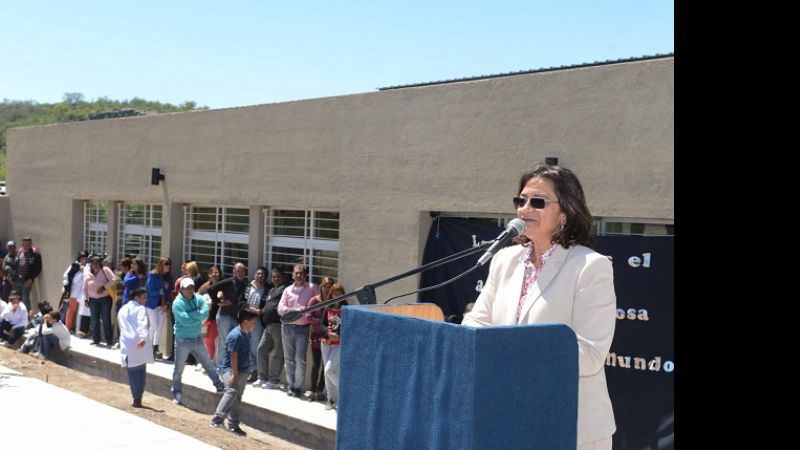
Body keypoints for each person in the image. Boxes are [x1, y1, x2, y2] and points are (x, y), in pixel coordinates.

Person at [461, 164, 617, 450]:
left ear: (565, 213)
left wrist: (512, 351)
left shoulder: (589, 267)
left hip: (570, 426)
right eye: (521, 201)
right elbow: (475, 323)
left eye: (538, 202)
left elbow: (590, 354)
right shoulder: (504, 260)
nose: (525, 209)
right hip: (507, 416)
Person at [171, 277, 225, 405]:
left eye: (192, 287)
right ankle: (176, 392)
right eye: (187, 288)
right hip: (182, 340)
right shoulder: (177, 303)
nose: (190, 290)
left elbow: (205, 313)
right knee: (178, 369)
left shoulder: (198, 298)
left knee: (208, 364)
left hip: (197, 338)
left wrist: (194, 316)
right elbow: (185, 320)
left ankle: (220, 386)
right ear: (181, 289)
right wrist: (198, 316)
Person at [210, 305, 259, 437]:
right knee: (231, 392)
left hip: (242, 371)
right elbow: (233, 356)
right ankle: (217, 419)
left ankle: (233, 425)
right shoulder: (235, 335)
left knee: (237, 398)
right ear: (246, 322)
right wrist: (235, 375)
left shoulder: (246, 333)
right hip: (229, 370)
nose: (255, 325)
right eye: (254, 322)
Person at [277, 264, 319, 398]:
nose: (298, 275)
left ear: (305, 275)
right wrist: (296, 310)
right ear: (292, 275)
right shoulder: (287, 290)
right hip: (287, 327)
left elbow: (319, 304)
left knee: (300, 359)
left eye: (301, 273)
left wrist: (307, 309)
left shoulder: (312, 288)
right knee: (289, 358)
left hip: (303, 328)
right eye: (296, 273)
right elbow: (280, 309)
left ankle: (298, 387)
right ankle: (291, 385)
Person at [254, 267, 289, 389]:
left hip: (278, 325)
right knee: (261, 349)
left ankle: (273, 380)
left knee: (278, 353)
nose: (276, 279)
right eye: (274, 277)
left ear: (283, 278)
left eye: (278, 277)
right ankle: (262, 377)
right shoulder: (272, 290)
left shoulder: (286, 289)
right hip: (268, 326)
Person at [118, 287, 153, 408]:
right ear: (136, 298)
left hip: (127, 345)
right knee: (140, 373)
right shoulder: (140, 309)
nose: (145, 300)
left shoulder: (122, 309)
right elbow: (142, 323)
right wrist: (143, 338)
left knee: (133, 374)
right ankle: (138, 398)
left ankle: (136, 398)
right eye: (143, 298)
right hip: (139, 344)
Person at [305, 276, 334, 401]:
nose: (327, 289)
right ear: (321, 287)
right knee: (316, 364)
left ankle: (320, 391)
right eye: (325, 287)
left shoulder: (334, 301)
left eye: (329, 287)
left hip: (328, 336)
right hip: (316, 336)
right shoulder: (314, 300)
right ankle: (312, 390)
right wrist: (321, 322)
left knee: (325, 364)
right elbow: (308, 316)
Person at [320, 283, 346, 410]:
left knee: (329, 370)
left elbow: (350, 326)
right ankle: (330, 399)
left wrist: (339, 335)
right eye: (335, 294)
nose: (337, 296)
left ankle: (344, 392)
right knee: (327, 373)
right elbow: (321, 325)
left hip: (339, 344)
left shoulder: (346, 309)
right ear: (331, 295)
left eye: (339, 294)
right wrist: (328, 334)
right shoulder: (327, 308)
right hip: (326, 343)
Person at [83, 256, 115, 347]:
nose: (95, 265)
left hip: (105, 299)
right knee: (95, 320)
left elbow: (113, 280)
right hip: (93, 300)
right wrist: (86, 299)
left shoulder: (105, 270)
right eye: (93, 263)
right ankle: (96, 339)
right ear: (91, 264)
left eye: (97, 263)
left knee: (106, 319)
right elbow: (84, 288)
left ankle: (109, 340)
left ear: (100, 263)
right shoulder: (88, 273)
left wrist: (104, 287)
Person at [16, 237, 42, 314]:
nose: (26, 245)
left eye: (28, 243)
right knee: (17, 298)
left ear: (31, 244)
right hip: (17, 279)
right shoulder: (20, 253)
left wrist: (30, 279)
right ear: (22, 244)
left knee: (25, 298)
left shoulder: (35, 255)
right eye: (25, 243)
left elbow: (38, 268)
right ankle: (19, 314)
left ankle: (28, 316)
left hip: (26, 280)